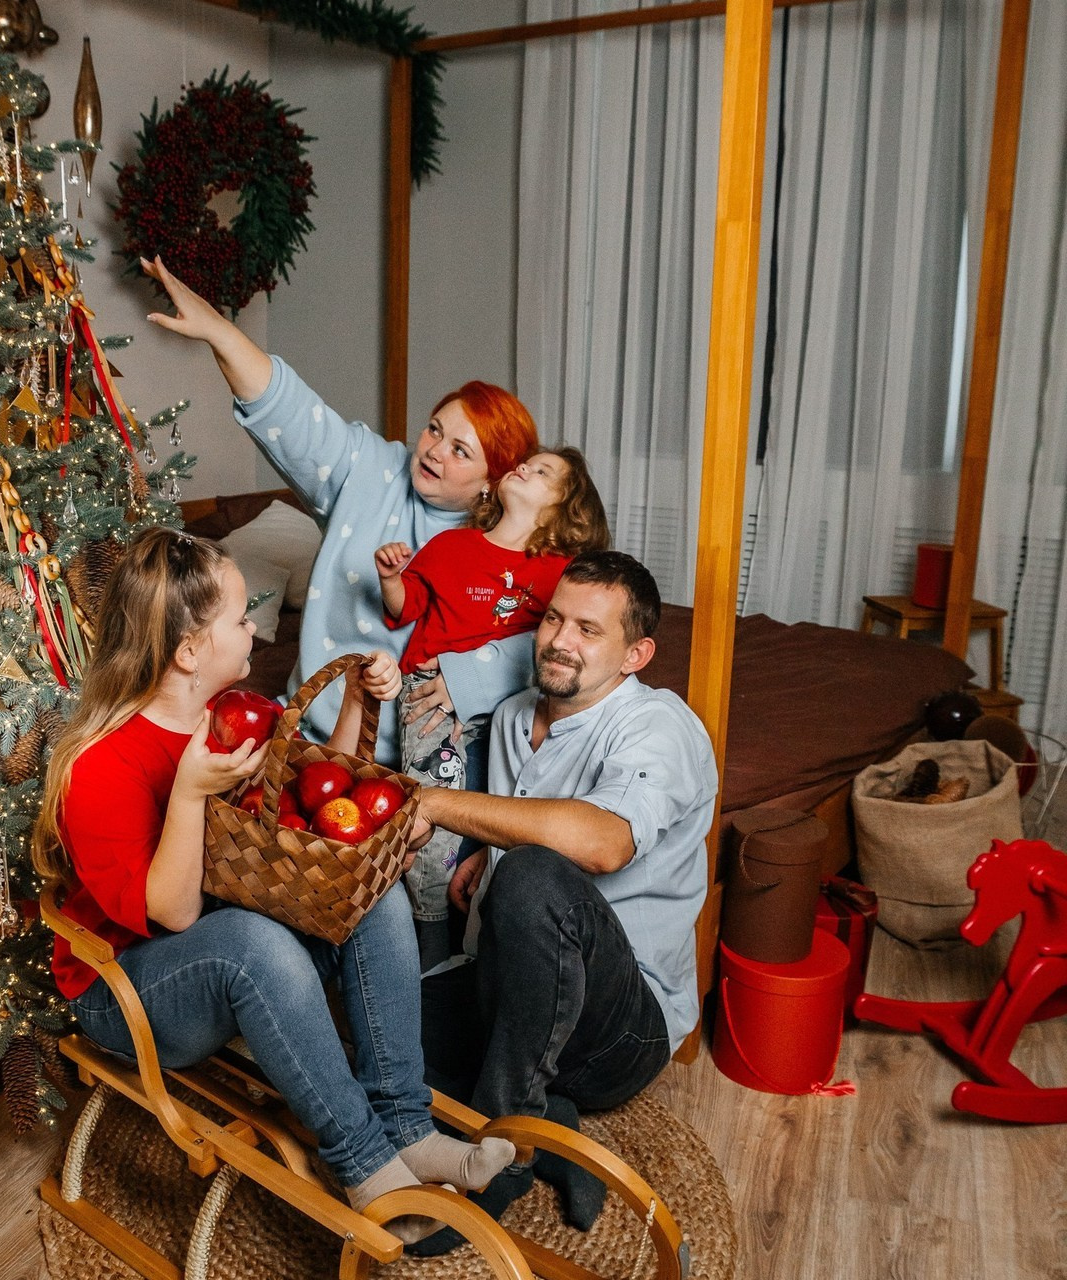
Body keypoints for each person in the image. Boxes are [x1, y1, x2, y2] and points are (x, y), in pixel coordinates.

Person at [31, 527, 516, 1242]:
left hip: (234, 958)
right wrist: (191, 794)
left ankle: (407, 1125)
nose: (256, 626)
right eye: (239, 617)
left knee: (365, 892)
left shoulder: (239, 715)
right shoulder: (103, 766)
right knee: (252, 942)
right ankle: (365, 1166)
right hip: (127, 991)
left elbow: (308, 821)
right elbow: (172, 912)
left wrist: (356, 701)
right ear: (190, 650)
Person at [406, 550, 718, 1253]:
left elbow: (603, 844)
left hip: (619, 1026)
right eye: (553, 618)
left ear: (636, 654)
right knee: (373, 1020)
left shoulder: (658, 728)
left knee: (534, 878)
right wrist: (488, 848)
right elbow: (525, 816)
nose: (559, 641)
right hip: (511, 990)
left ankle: (504, 1154)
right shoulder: (517, 715)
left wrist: (447, 809)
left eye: (588, 629)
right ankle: (551, 1120)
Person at [141, 255, 539, 769]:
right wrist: (219, 332)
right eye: (435, 429)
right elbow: (290, 411)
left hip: (416, 762)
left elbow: (543, 642)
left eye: (461, 450)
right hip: (309, 728)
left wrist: (466, 681)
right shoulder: (373, 468)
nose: (435, 450)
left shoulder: (507, 545)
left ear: (493, 482)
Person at [374, 447, 611, 969]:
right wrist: (392, 576)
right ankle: (430, 949)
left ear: (563, 508)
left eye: (543, 471)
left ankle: (487, 947)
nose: (525, 466)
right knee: (433, 832)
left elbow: (555, 654)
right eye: (527, 462)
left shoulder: (559, 574)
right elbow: (405, 607)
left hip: (513, 707)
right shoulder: (451, 545)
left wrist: (477, 676)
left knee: (501, 820)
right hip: (432, 704)